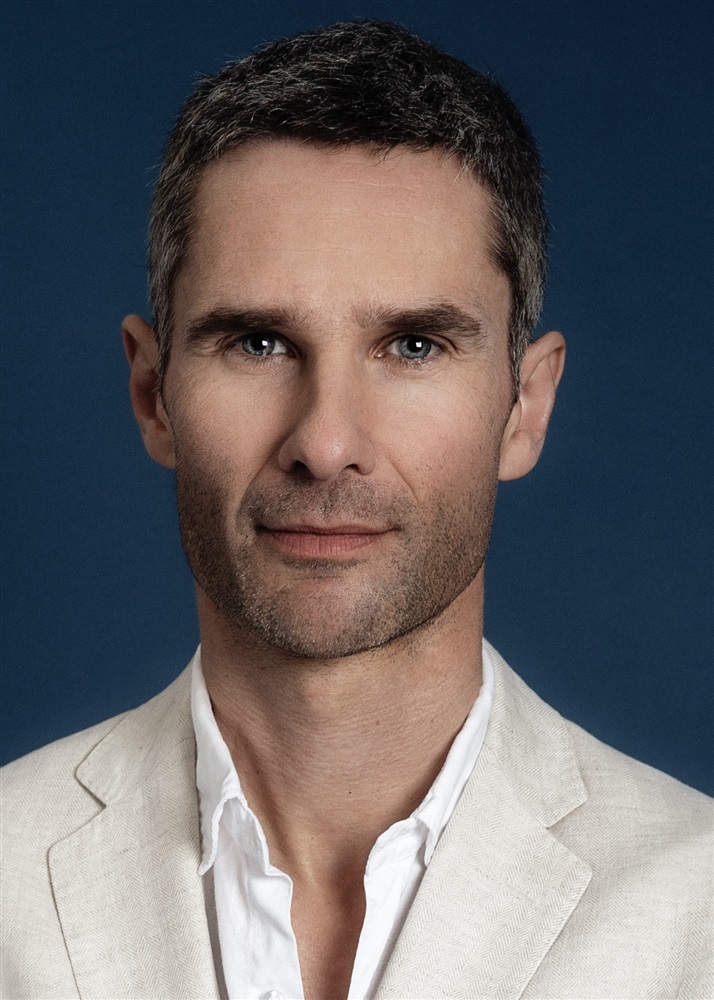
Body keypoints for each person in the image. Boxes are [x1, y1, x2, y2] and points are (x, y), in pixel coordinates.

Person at [1, 18, 711, 1000]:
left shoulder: (698, 908)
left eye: (414, 345)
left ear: (525, 406)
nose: (326, 440)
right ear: (153, 394)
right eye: (257, 342)